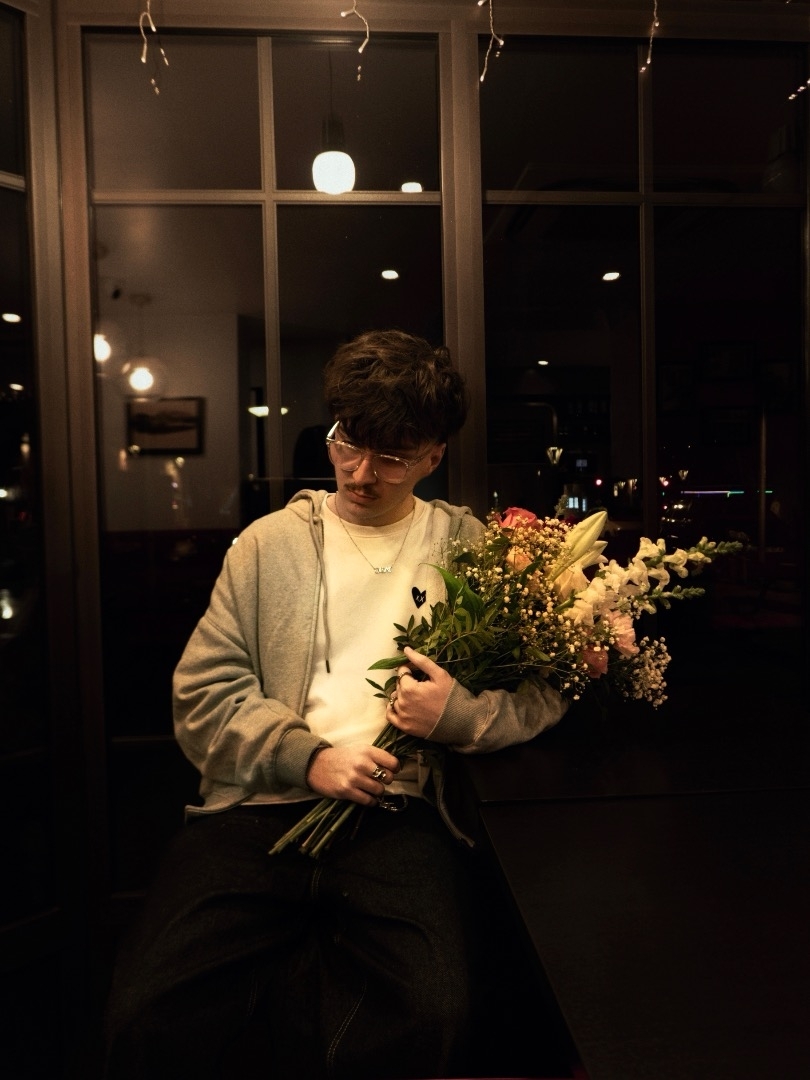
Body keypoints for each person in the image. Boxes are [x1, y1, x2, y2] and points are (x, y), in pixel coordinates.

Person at [103, 329, 568, 1079]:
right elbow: (201, 692)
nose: (361, 472)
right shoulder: (268, 545)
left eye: (393, 456)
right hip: (257, 807)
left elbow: (545, 691)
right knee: (146, 1011)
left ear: (433, 457)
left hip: (398, 816)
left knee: (432, 1010)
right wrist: (309, 757)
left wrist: (457, 716)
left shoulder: (472, 550)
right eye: (349, 442)